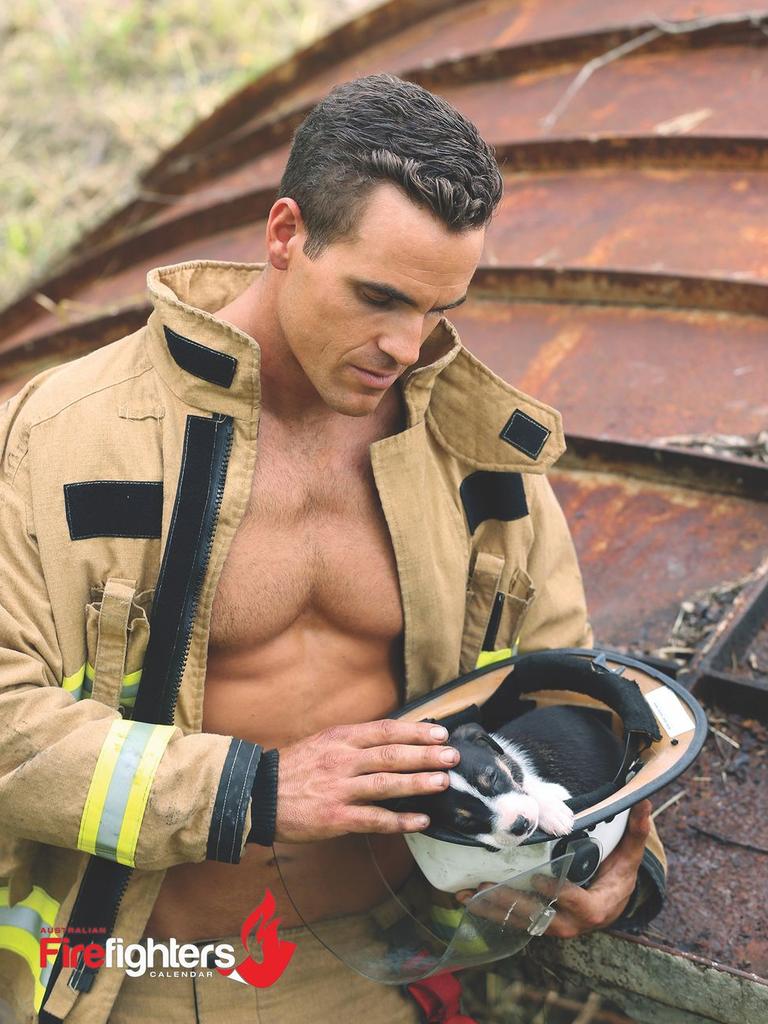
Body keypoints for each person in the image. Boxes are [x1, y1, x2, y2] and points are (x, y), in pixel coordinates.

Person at [0, 74, 664, 1024]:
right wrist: (255, 788)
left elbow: (570, 693)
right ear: (285, 235)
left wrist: (616, 858)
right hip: (140, 969)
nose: (405, 344)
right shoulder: (66, 436)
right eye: (379, 297)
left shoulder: (477, 457)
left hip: (394, 968)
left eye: (439, 309)